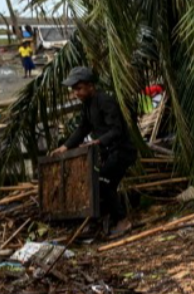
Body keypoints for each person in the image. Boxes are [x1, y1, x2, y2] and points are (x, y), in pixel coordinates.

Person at [49, 66, 137, 236]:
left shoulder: (105, 101)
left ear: (90, 86)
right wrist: (65, 147)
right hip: (109, 152)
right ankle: (103, 220)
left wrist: (97, 142)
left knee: (103, 183)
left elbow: (116, 130)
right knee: (100, 183)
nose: (76, 93)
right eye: (74, 90)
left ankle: (123, 221)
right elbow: (82, 129)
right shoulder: (88, 105)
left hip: (121, 151)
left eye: (79, 89)